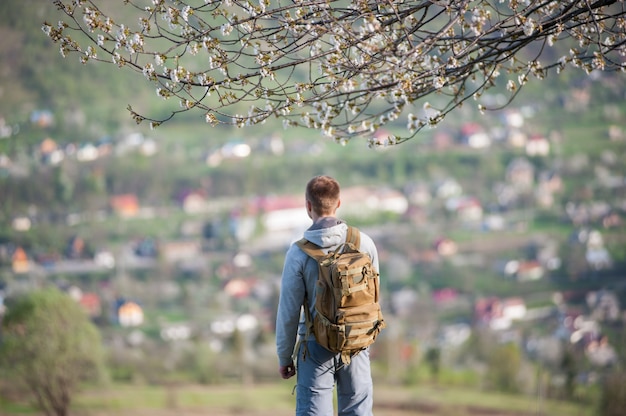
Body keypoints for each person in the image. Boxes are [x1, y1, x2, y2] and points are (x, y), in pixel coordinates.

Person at [276, 175, 380, 416]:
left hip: (315, 345)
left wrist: (284, 356)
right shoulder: (364, 243)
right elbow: (374, 297)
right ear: (339, 203)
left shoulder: (298, 253)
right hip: (356, 343)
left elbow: (289, 312)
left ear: (308, 206)